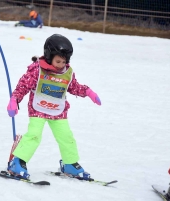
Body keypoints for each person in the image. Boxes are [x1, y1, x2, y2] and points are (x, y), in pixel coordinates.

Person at [6, 34, 101, 180]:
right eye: (58, 61)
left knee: (66, 137)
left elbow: (73, 87)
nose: (61, 64)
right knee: (34, 135)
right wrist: (14, 100)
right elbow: (23, 86)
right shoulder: (37, 70)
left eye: (64, 61)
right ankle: (17, 161)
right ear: (49, 56)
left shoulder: (67, 72)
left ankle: (69, 164)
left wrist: (88, 92)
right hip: (38, 110)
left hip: (58, 112)